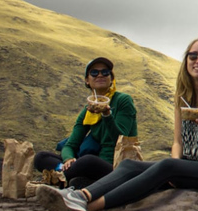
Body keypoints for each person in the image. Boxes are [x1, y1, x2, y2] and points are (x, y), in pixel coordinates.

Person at [37, 37, 198, 211]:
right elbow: (177, 142)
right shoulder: (182, 95)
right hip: (187, 164)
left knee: (165, 166)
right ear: (186, 60)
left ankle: (88, 208)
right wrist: (177, 163)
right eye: (193, 56)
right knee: (130, 165)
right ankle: (81, 196)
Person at [34, 57, 137, 189]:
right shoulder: (88, 110)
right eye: (94, 72)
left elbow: (121, 139)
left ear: (111, 78)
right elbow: (70, 145)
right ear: (87, 81)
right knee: (41, 157)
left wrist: (106, 115)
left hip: (116, 165)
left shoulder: (123, 100)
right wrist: (68, 159)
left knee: (87, 161)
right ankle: (68, 174)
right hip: (86, 165)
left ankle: (62, 176)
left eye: (105, 72)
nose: (100, 75)